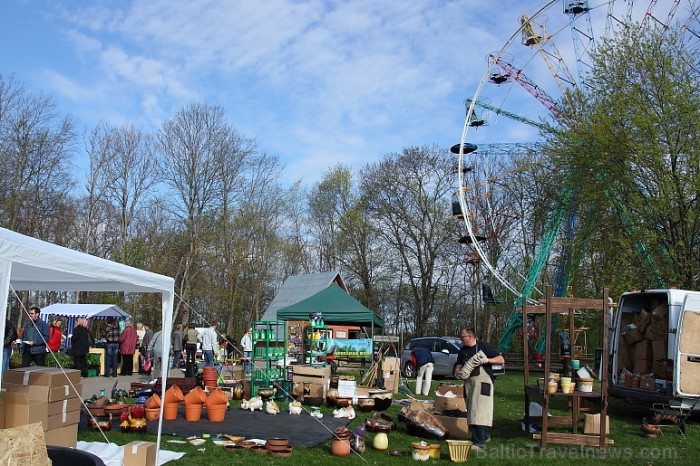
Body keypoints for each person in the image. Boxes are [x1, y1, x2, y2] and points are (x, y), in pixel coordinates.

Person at [454, 327, 505, 451]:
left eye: (463, 337)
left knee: (479, 411)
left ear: (470, 336)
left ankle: (478, 443)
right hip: (469, 384)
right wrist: (458, 370)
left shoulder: (484, 346)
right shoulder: (462, 350)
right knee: (471, 411)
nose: (461, 340)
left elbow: (501, 359)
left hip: (483, 383)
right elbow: (459, 364)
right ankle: (485, 435)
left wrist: (487, 360)